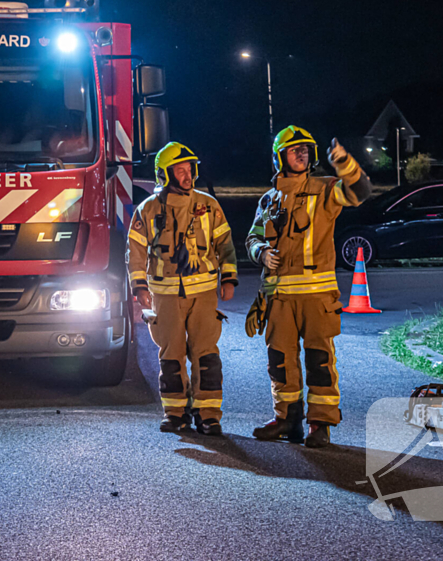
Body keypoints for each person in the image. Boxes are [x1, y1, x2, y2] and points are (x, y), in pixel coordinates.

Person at [245, 126, 371, 448]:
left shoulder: (326, 188)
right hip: (280, 299)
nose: (301, 154)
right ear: (279, 158)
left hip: (316, 296)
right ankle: (287, 421)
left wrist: (343, 162)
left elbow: (360, 192)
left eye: (305, 150)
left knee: (319, 362)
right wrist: (260, 252)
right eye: (293, 150)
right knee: (280, 362)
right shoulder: (269, 198)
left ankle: (320, 425)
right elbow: (253, 236)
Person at [128, 142, 238, 435]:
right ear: (165, 175)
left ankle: (209, 414)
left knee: (206, 354)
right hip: (164, 294)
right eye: (180, 170)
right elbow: (136, 251)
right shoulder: (148, 209)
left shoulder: (208, 205)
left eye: (190, 169)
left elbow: (225, 244)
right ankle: (175, 413)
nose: (187, 175)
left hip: (202, 293)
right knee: (171, 355)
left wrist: (228, 279)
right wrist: (139, 287)